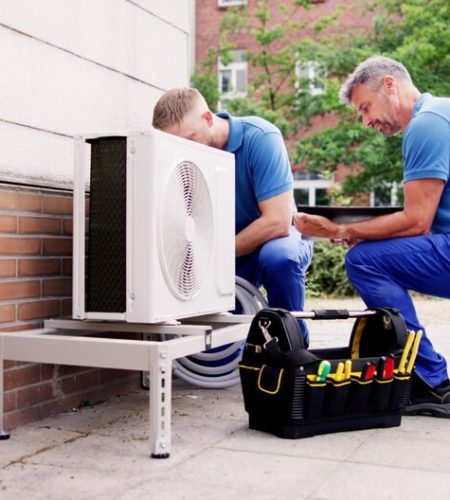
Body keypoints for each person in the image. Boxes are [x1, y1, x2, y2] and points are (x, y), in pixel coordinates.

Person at [293, 55, 450, 417]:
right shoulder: (439, 114)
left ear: (390, 85)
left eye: (365, 107)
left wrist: (340, 230)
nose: (365, 121)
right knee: (372, 252)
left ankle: (430, 379)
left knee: (364, 261)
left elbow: (416, 222)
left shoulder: (426, 125)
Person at [152, 88, 313, 342]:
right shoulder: (179, 159)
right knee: (215, 355)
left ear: (207, 119)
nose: (183, 149)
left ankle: (293, 345)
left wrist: (214, 256)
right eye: (176, 143)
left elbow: (278, 222)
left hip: (271, 239)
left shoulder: (261, 137)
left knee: (279, 258)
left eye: (188, 138)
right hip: (224, 249)